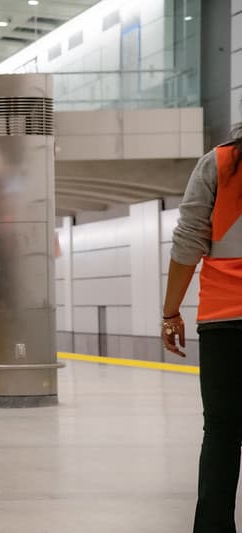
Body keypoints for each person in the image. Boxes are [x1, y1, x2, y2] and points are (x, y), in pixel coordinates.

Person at [162, 128, 242, 533]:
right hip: (223, 320)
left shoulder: (220, 163)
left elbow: (189, 240)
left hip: (225, 321)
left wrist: (170, 312)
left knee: (223, 432)